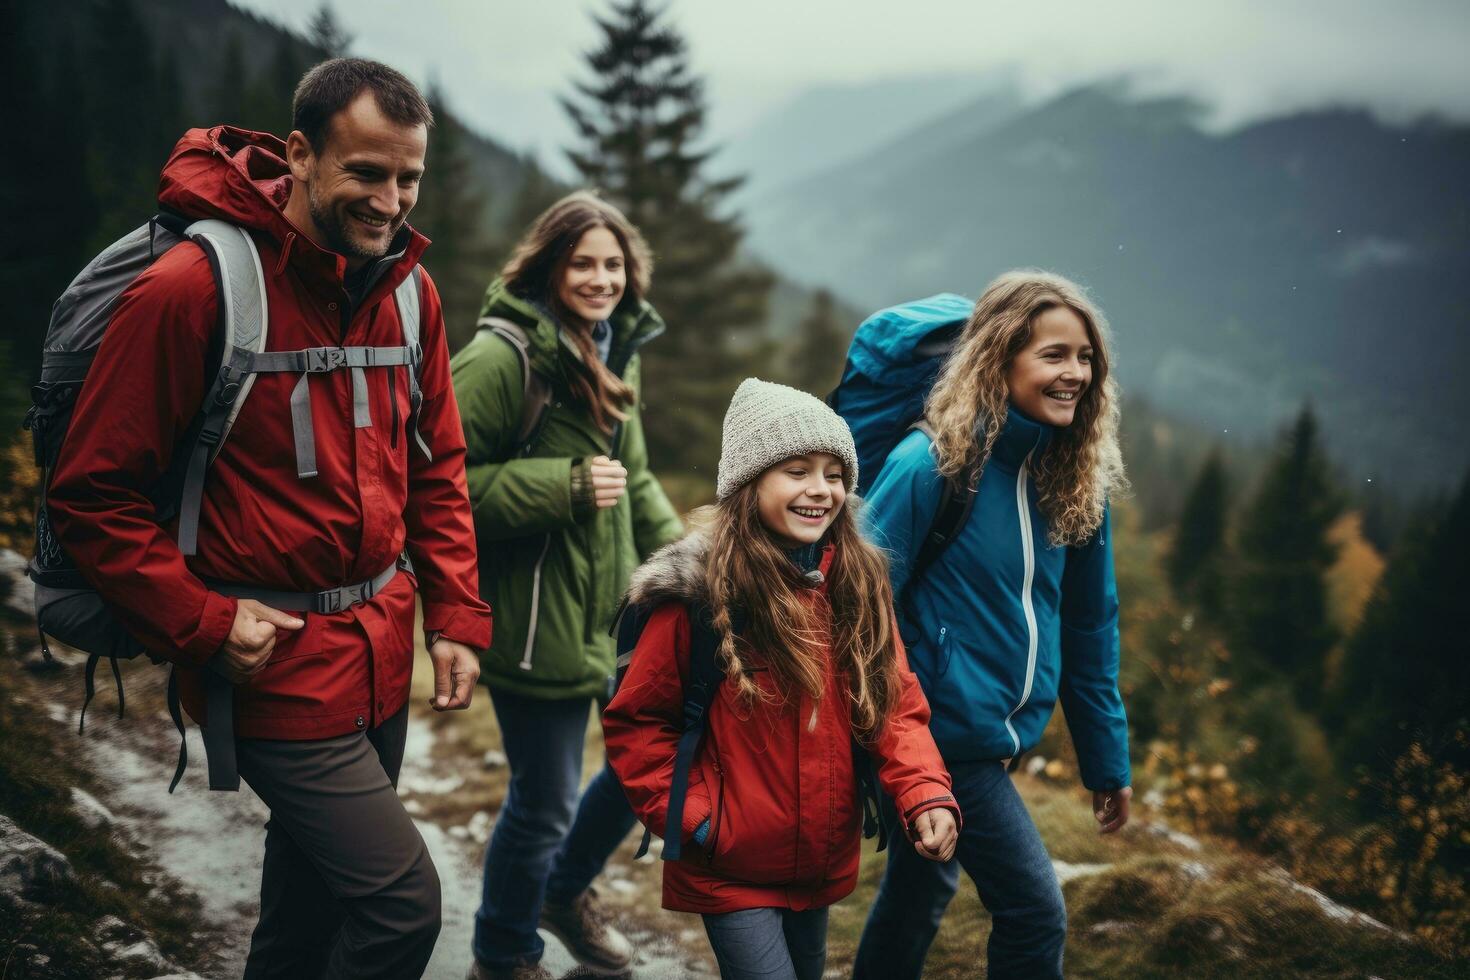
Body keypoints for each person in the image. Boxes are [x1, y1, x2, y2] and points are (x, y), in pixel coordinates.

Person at [46, 58, 492, 979]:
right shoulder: (193, 289)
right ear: (299, 154)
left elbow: (437, 466)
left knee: (308, 914)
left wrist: (453, 614)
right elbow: (92, 494)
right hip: (271, 661)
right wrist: (206, 625)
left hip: (381, 648)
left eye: (409, 177)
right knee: (402, 906)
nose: (391, 201)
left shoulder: (412, 292)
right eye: (366, 173)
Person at [603, 379, 961, 980]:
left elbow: (894, 703)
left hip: (819, 861)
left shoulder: (858, 582)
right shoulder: (699, 594)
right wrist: (696, 820)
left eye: (834, 473)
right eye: (797, 471)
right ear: (748, 484)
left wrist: (924, 790)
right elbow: (638, 723)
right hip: (728, 863)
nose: (820, 490)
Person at [851, 271, 1132, 980]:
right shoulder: (931, 463)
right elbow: (857, 602)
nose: (1076, 373)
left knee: (925, 885)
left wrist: (1106, 759)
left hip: (992, 735)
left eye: (1086, 356)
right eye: (1054, 355)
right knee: (1035, 914)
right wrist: (896, 730)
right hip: (937, 734)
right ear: (999, 358)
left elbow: (1088, 628)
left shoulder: (1074, 480)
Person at [451, 191, 684, 980]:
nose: (599, 277)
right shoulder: (498, 359)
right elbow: (440, 486)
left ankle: (563, 890)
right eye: (582, 262)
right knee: (545, 798)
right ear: (549, 265)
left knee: (646, 759)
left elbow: (638, 477)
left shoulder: (615, 350)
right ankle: (502, 949)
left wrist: (691, 565)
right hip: (530, 617)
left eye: (613, 263)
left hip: (611, 609)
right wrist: (566, 486)